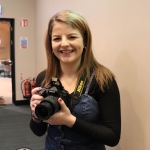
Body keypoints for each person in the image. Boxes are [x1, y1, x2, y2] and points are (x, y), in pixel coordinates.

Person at [30, 10, 121, 150]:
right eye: (57, 38)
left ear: (85, 41)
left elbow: (112, 136)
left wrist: (70, 121)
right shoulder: (44, 78)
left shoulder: (103, 79)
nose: (64, 44)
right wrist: (36, 114)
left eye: (72, 37)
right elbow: (38, 131)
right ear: (50, 43)